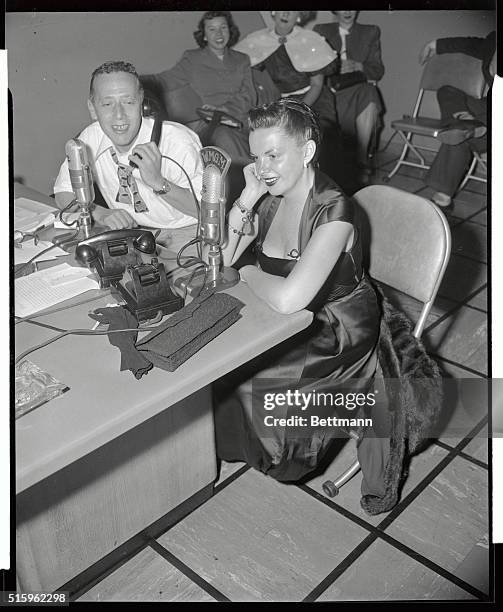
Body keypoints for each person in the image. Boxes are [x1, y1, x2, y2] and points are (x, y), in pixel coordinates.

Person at [215, 99, 389, 499]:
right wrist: (249, 195)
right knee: (220, 361)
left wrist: (246, 272)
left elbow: (290, 297)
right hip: (284, 313)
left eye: (273, 155)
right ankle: (234, 446)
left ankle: (281, 456)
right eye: (257, 156)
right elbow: (221, 257)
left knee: (249, 382)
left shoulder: (335, 209)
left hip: (338, 325)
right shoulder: (271, 193)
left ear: (307, 151)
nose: (263, 167)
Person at [54, 61, 203, 255]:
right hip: (132, 233)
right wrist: (101, 213)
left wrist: (159, 183)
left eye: (128, 102)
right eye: (107, 104)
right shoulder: (90, 139)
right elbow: (63, 194)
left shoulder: (178, 142)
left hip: (186, 232)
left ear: (142, 102)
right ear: (92, 108)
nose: (119, 116)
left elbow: (208, 210)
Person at [157, 11, 256, 166]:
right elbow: (164, 80)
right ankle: (244, 179)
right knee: (224, 136)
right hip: (213, 123)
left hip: (244, 121)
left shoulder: (242, 59)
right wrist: (134, 80)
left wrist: (224, 108)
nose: (219, 33)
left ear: (230, 31)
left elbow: (249, 96)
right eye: (212, 29)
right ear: (204, 35)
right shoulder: (192, 59)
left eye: (223, 28)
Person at [419, 31, 495, 207]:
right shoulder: (493, 40)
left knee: (459, 136)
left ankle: (443, 197)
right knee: (448, 92)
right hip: (488, 106)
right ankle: (468, 124)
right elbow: (469, 43)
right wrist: (434, 43)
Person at [233, 11, 339, 130]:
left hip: (316, 100)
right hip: (284, 103)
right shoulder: (259, 40)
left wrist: (298, 110)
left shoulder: (311, 40)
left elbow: (316, 85)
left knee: (317, 134)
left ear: (299, 16)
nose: (285, 14)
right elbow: (233, 60)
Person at [314, 11, 384, 181]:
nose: (347, 11)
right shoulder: (321, 29)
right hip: (328, 88)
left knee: (369, 92)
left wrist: (358, 65)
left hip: (355, 88)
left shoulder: (370, 32)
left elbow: (377, 70)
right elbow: (311, 63)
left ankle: (361, 159)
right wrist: (333, 65)